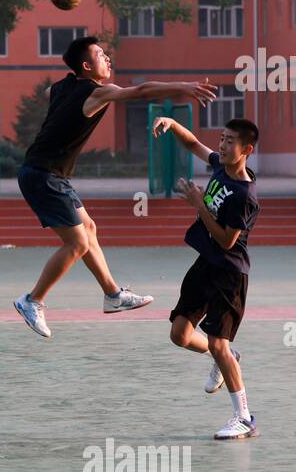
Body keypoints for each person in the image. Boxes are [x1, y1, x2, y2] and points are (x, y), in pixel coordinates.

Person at [13, 36, 218, 337]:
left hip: (50, 173)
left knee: (89, 230)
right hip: (43, 175)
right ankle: (32, 300)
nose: (107, 58)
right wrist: (183, 87)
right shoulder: (96, 92)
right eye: (99, 54)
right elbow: (142, 90)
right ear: (86, 66)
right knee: (77, 243)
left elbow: (49, 91)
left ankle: (113, 295)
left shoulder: (61, 87)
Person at [155, 115, 261, 440]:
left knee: (217, 342)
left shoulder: (244, 195)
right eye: (223, 138)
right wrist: (172, 124)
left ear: (247, 149)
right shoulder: (219, 167)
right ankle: (228, 356)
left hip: (229, 274)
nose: (223, 145)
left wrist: (199, 204)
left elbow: (226, 240)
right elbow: (192, 144)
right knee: (179, 334)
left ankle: (244, 418)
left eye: (231, 141)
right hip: (206, 266)